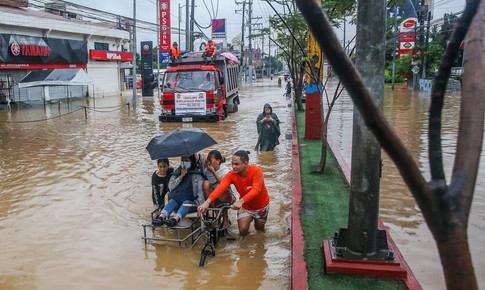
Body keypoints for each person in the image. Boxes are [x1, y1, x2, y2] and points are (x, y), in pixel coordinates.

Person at [198, 150, 270, 236]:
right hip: (246, 206)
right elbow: (221, 187)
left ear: (245, 164)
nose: (233, 167)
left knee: (260, 230)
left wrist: (240, 201)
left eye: (236, 164)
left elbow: (256, 190)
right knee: (243, 230)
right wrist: (207, 202)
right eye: (232, 164)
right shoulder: (232, 174)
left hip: (260, 206)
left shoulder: (257, 171)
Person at [153, 155, 206, 227]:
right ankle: (161, 217)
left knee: (185, 203)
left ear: (192, 162)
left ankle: (175, 220)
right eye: (182, 160)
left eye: (187, 161)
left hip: (191, 203)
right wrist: (180, 177)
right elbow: (170, 187)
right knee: (172, 201)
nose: (184, 163)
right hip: (177, 201)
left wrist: (201, 206)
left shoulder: (196, 175)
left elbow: (200, 194)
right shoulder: (177, 172)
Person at [203, 150, 236, 229]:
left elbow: (224, 185)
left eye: (211, 161)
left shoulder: (225, 171)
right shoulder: (207, 171)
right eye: (208, 161)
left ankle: (225, 218)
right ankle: (217, 213)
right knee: (206, 183)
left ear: (218, 161)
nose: (209, 163)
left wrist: (214, 172)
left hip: (227, 196)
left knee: (220, 188)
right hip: (213, 197)